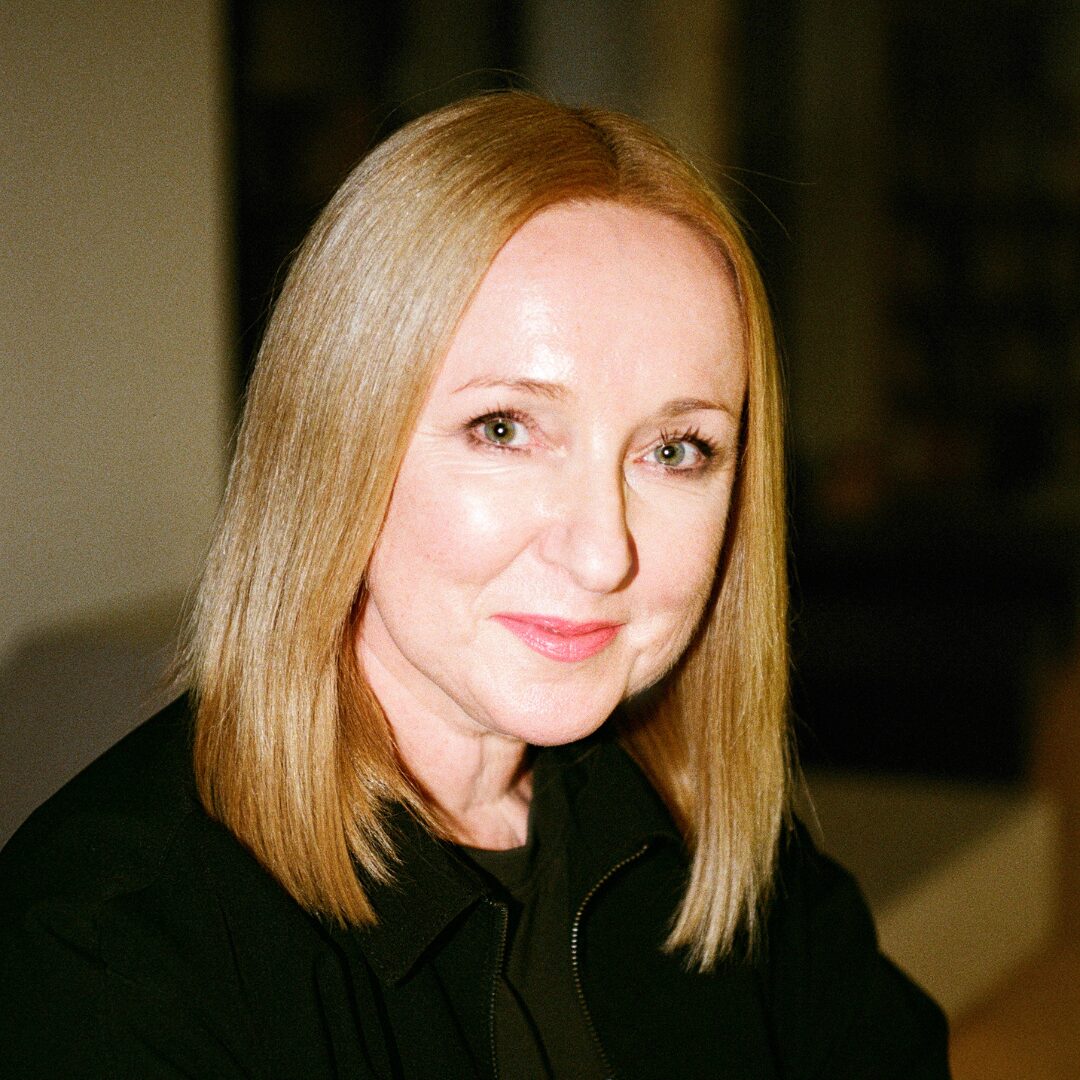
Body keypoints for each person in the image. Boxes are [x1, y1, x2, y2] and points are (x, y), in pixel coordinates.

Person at [0, 92, 949, 1078]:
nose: (603, 554)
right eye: (504, 430)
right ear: (333, 445)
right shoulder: (104, 958)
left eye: (675, 449)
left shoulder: (705, 834)